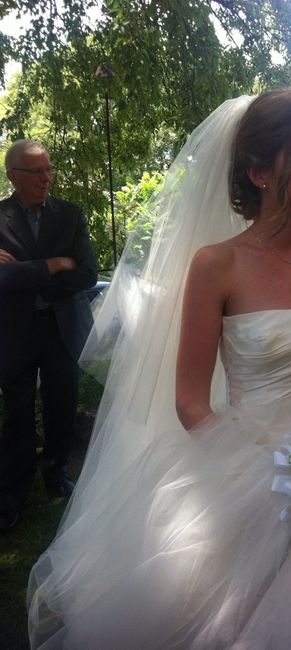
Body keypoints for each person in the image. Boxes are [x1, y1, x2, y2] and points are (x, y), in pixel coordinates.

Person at [27, 89, 291, 649]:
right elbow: (190, 401)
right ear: (260, 172)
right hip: (242, 481)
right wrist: (266, 480)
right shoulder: (216, 265)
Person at [0, 140, 98, 532]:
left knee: (62, 404)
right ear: (13, 176)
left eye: (48, 169)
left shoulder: (70, 215)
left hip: (61, 328)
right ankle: (14, 491)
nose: (46, 178)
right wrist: (52, 265)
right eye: (37, 171)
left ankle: (56, 472)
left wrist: (22, 273)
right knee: (18, 413)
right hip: (14, 330)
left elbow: (86, 274)